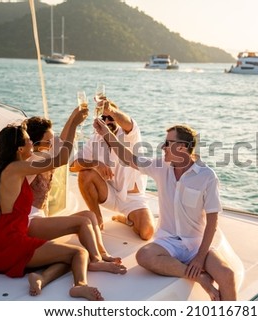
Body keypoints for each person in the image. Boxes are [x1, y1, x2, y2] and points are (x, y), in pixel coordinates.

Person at [93, 115, 238, 301]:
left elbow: (212, 222)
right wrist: (106, 132)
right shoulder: (161, 166)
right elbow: (128, 158)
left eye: (168, 143)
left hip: (196, 243)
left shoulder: (207, 176)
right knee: (144, 255)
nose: (163, 147)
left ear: (182, 147)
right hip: (168, 242)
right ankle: (200, 278)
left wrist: (200, 258)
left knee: (227, 275)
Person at [0, 107, 105, 301]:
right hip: (11, 245)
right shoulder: (17, 168)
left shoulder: (14, 170)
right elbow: (62, 158)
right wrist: (74, 123)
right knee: (80, 253)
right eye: (28, 141)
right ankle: (80, 286)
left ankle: (40, 278)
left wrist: (72, 122)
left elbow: (56, 151)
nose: (32, 143)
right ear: (20, 149)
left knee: (67, 256)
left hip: (4, 245)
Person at [22, 116, 127, 296]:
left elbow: (61, 142)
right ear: (36, 143)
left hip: (41, 219)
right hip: (28, 221)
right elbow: (63, 152)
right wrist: (75, 123)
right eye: (49, 141)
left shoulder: (47, 155)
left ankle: (101, 253)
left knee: (88, 215)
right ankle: (95, 261)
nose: (53, 143)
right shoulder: (34, 161)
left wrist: (74, 118)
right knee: (82, 223)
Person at [70, 99, 154, 240]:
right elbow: (73, 166)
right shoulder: (95, 139)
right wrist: (95, 163)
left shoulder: (130, 134)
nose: (108, 121)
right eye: (104, 118)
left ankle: (126, 218)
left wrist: (111, 110)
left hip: (132, 198)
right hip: (109, 193)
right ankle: (97, 218)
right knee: (85, 173)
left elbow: (128, 123)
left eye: (111, 117)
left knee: (146, 233)